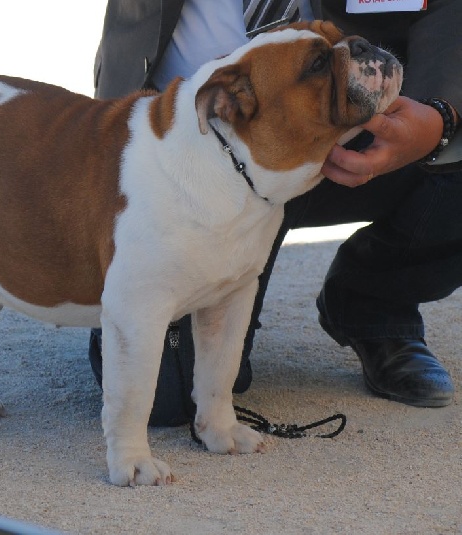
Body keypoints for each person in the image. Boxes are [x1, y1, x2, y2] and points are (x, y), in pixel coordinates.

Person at [88, 0, 461, 425]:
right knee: (168, 399)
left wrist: (439, 116)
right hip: (191, 151)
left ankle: (375, 305)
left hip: (344, 119)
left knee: (456, 143)